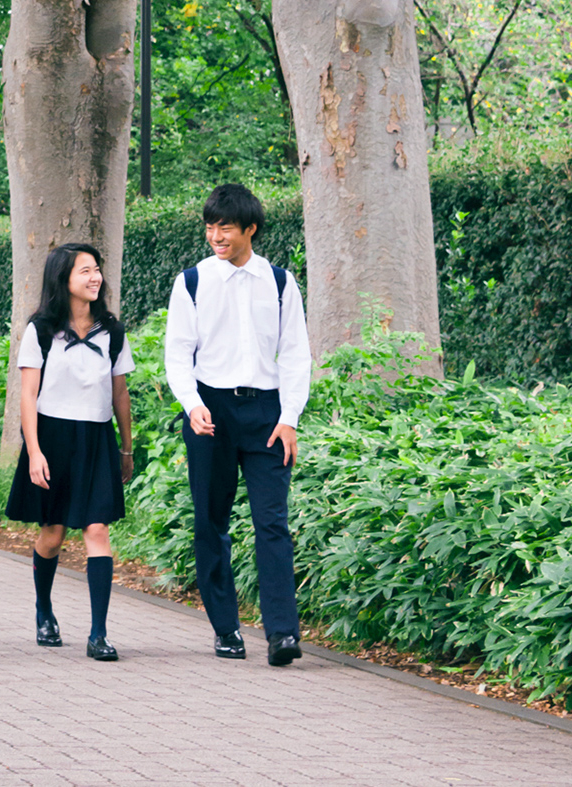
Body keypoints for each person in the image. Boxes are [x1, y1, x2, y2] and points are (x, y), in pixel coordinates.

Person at [163, 184, 312, 667]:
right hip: (210, 413)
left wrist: (289, 419)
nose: (215, 235)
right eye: (209, 227)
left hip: (267, 414)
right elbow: (178, 354)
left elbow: (294, 356)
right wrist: (191, 404)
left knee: (272, 523)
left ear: (249, 228)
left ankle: (282, 634)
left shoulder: (279, 282)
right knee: (211, 522)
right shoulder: (192, 282)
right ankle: (226, 628)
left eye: (224, 227)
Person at [5, 243, 135, 661]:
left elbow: (120, 393)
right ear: (63, 279)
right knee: (53, 534)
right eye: (85, 271)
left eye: (97, 270)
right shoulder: (41, 330)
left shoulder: (113, 332)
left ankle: (99, 633)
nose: (95, 277)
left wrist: (126, 448)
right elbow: (27, 395)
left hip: (96, 439)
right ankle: (44, 609)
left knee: (96, 529)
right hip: (52, 438)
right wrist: (35, 450)